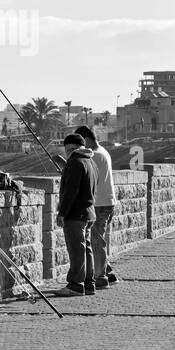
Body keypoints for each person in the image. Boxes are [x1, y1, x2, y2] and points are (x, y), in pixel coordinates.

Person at [54, 133, 97, 297]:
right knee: (86, 249)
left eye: (67, 150)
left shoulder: (74, 162)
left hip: (75, 215)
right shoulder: (90, 161)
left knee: (76, 250)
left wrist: (62, 213)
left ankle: (76, 285)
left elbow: (71, 191)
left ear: (69, 148)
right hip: (88, 212)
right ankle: (89, 283)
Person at [75, 125, 117, 288]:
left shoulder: (94, 156)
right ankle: (107, 272)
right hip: (108, 201)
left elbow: (85, 177)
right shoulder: (103, 152)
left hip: (99, 203)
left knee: (96, 241)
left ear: (86, 139)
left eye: (80, 142)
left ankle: (101, 277)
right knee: (98, 239)